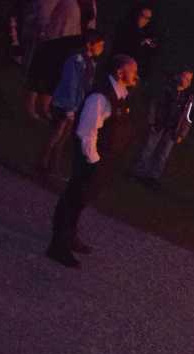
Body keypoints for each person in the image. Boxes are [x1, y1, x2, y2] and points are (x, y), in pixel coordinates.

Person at [47, 53, 138, 269]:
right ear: (119, 72)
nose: (136, 75)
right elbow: (87, 131)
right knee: (73, 199)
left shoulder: (120, 94)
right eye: (132, 70)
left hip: (102, 159)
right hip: (91, 159)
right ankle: (58, 245)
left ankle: (70, 236)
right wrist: (93, 161)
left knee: (82, 199)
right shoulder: (101, 97)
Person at [35, 28, 103, 178]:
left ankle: (53, 167)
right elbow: (70, 83)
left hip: (75, 105)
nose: (101, 48)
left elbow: (85, 86)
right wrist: (70, 107)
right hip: (64, 104)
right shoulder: (76, 60)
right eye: (99, 45)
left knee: (63, 137)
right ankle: (42, 163)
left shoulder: (90, 63)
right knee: (56, 134)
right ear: (90, 44)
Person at [130, 66, 193, 184]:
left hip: (173, 130)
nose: (186, 81)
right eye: (185, 77)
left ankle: (152, 177)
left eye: (189, 80)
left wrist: (182, 134)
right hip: (159, 124)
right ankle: (138, 172)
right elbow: (154, 105)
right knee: (148, 148)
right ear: (178, 76)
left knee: (163, 154)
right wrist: (152, 121)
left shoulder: (188, 98)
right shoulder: (167, 89)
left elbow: (188, 117)